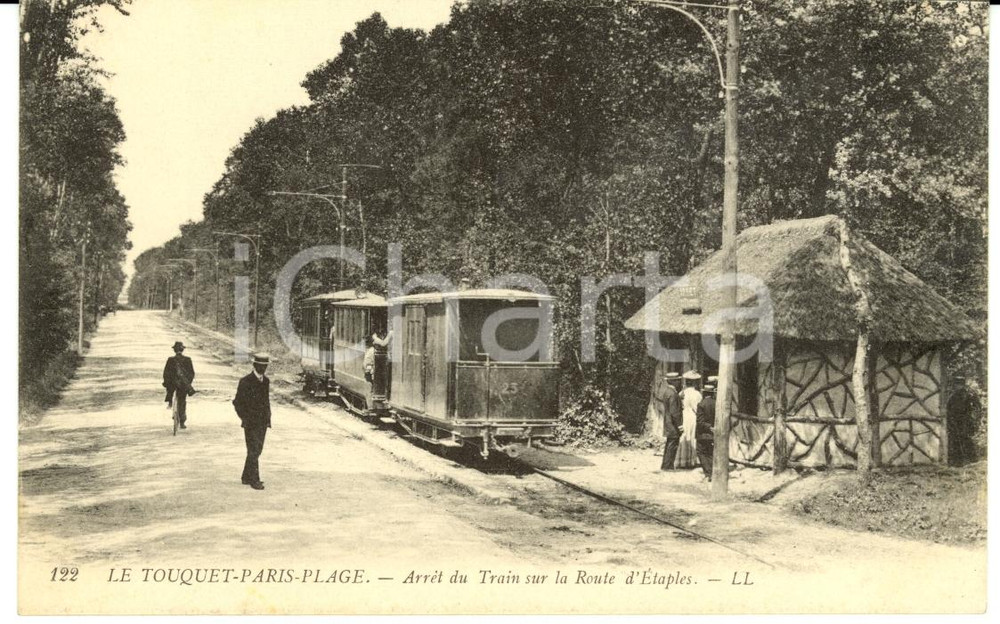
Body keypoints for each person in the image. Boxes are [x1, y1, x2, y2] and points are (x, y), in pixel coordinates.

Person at [233, 353, 272, 490]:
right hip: (250, 422)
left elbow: (266, 401)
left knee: (256, 449)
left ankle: (246, 476)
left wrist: (268, 418)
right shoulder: (245, 381)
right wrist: (244, 418)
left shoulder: (266, 381)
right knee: (254, 449)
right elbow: (237, 402)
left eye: (265, 366)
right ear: (254, 365)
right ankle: (254, 480)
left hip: (262, 422)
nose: (263, 369)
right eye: (261, 366)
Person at [162, 341, 196, 429]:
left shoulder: (170, 360)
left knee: (170, 389)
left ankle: (169, 401)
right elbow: (191, 373)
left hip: (173, 384)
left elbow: (166, 373)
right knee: (182, 401)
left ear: (174, 350)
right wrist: (188, 383)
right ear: (182, 350)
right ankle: (182, 422)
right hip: (183, 384)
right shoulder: (188, 360)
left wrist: (166, 383)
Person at [678, 370, 703, 468]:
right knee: (691, 435)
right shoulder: (696, 394)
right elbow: (696, 408)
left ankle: (682, 460)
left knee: (684, 435)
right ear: (694, 382)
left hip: (683, 415)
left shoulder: (682, 392)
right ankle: (690, 460)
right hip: (691, 416)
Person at [660, 372, 683, 471]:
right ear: (673, 381)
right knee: (672, 445)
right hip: (673, 424)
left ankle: (666, 465)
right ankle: (668, 466)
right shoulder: (673, 393)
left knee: (670, 444)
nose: (679, 382)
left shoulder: (667, 391)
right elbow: (674, 412)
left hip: (668, 423)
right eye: (677, 380)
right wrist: (680, 425)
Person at [696, 383, 717, 480]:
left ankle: (708, 473)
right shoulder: (716, 403)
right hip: (713, 433)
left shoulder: (701, 404)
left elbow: (700, 422)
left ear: (704, 393)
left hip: (703, 433)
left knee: (701, 452)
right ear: (712, 393)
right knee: (710, 453)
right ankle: (712, 472)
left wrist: (709, 427)